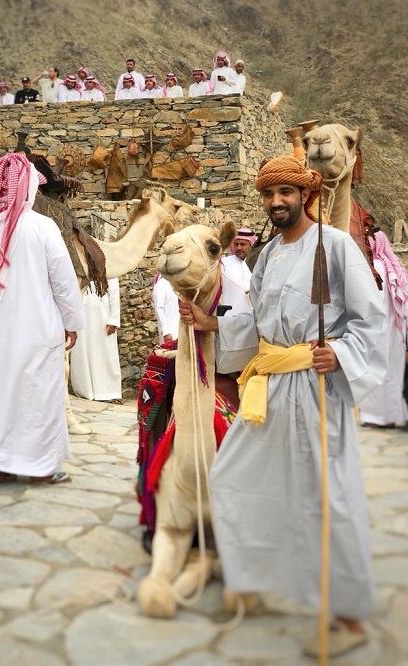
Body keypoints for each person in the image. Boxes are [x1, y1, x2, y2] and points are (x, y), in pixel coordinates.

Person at [179, 155, 388, 658]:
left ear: (306, 196)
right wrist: (213, 324)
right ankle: (257, 574)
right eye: (269, 194)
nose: (276, 202)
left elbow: (371, 318)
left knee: (327, 497)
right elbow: (260, 325)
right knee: (234, 477)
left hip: (316, 387)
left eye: (285, 193)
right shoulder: (267, 254)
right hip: (269, 386)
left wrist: (340, 353)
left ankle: (348, 614)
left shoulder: (335, 247)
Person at [0, 153, 86, 484]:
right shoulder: (43, 227)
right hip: (40, 328)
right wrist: (72, 322)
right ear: (28, 189)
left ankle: (1, 461)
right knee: (41, 394)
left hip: (1, 331)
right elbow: (63, 282)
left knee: (3, 392)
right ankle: (41, 469)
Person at [359, 229, 408, 427]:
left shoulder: (375, 268)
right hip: (395, 331)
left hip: (377, 330)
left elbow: (372, 302)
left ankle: (376, 417)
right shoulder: (394, 267)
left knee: (374, 372)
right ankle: (392, 415)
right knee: (393, 373)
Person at [70, 278, 123, 403]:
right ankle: (87, 391)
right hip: (82, 316)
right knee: (84, 352)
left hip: (103, 318)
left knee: (105, 353)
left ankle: (109, 392)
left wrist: (113, 320)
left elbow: (114, 292)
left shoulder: (108, 269)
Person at [220, 227, 257, 316]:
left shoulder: (258, 264)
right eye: (236, 244)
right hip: (229, 318)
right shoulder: (223, 264)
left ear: (251, 245)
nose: (239, 248)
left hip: (252, 319)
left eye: (243, 244)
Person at [152, 272, 180, 343]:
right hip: (170, 331)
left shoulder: (179, 283)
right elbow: (158, 309)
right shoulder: (161, 285)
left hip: (181, 329)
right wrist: (166, 332)